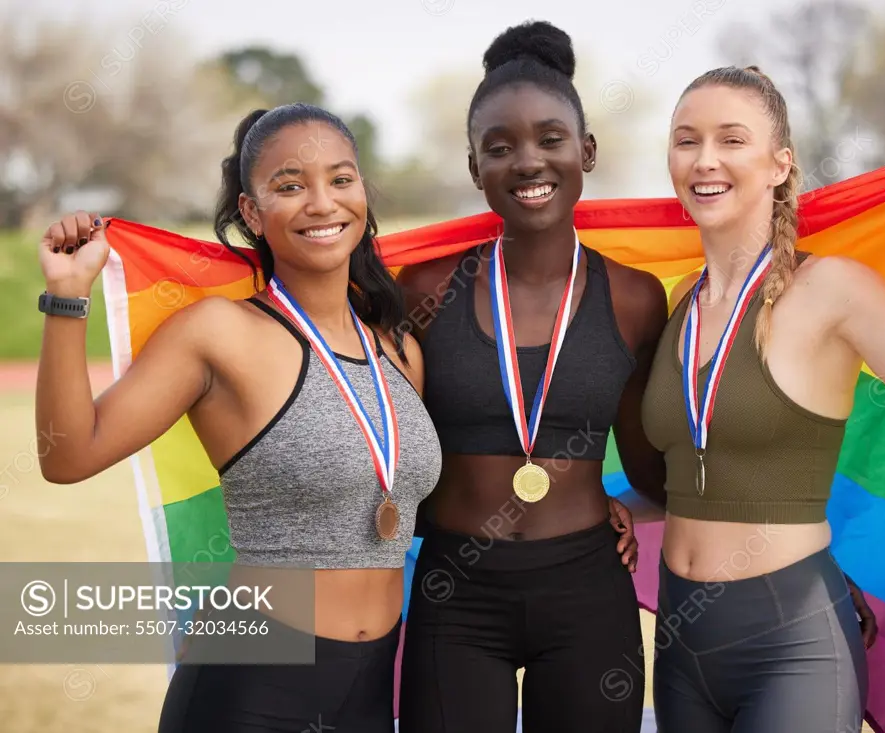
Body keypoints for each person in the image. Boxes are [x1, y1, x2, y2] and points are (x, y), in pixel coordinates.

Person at [35, 102, 443, 732]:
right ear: (252, 213)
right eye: (289, 186)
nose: (322, 203)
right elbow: (67, 455)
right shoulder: (219, 334)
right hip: (253, 682)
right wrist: (66, 295)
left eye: (341, 179)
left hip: (373, 684)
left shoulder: (399, 349)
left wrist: (601, 505)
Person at [640, 65, 885, 732]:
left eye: (732, 140)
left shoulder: (832, 289)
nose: (705, 159)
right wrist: (610, 508)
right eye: (686, 140)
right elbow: (689, 474)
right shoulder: (681, 304)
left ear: (779, 163)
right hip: (681, 644)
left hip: (792, 644)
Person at [395, 20, 668, 733]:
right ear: (472, 165)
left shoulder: (636, 299)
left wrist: (624, 507)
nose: (527, 161)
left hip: (588, 591)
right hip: (455, 594)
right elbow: (389, 450)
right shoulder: (423, 289)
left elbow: (652, 465)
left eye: (550, 138)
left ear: (587, 151)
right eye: (499, 146)